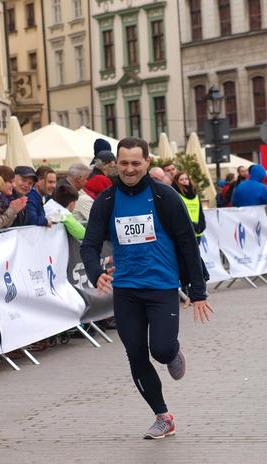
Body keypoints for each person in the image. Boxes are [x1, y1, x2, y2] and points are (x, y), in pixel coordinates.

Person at [80, 136, 213, 440]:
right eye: (124, 163)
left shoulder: (165, 196)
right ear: (116, 164)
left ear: (147, 162)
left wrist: (198, 291)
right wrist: (96, 273)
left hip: (161, 287)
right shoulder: (107, 200)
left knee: (161, 349)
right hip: (126, 290)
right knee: (136, 355)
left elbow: (187, 243)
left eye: (135, 163)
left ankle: (173, 353)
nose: (129, 169)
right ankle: (162, 416)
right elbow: (89, 245)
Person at [172, 172, 205, 242]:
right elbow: (178, 216)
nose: (184, 181)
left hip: (197, 232)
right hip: (184, 233)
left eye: (186, 179)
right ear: (176, 182)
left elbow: (200, 212)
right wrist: (192, 226)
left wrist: (202, 225)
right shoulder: (176, 195)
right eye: (181, 179)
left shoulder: (195, 195)